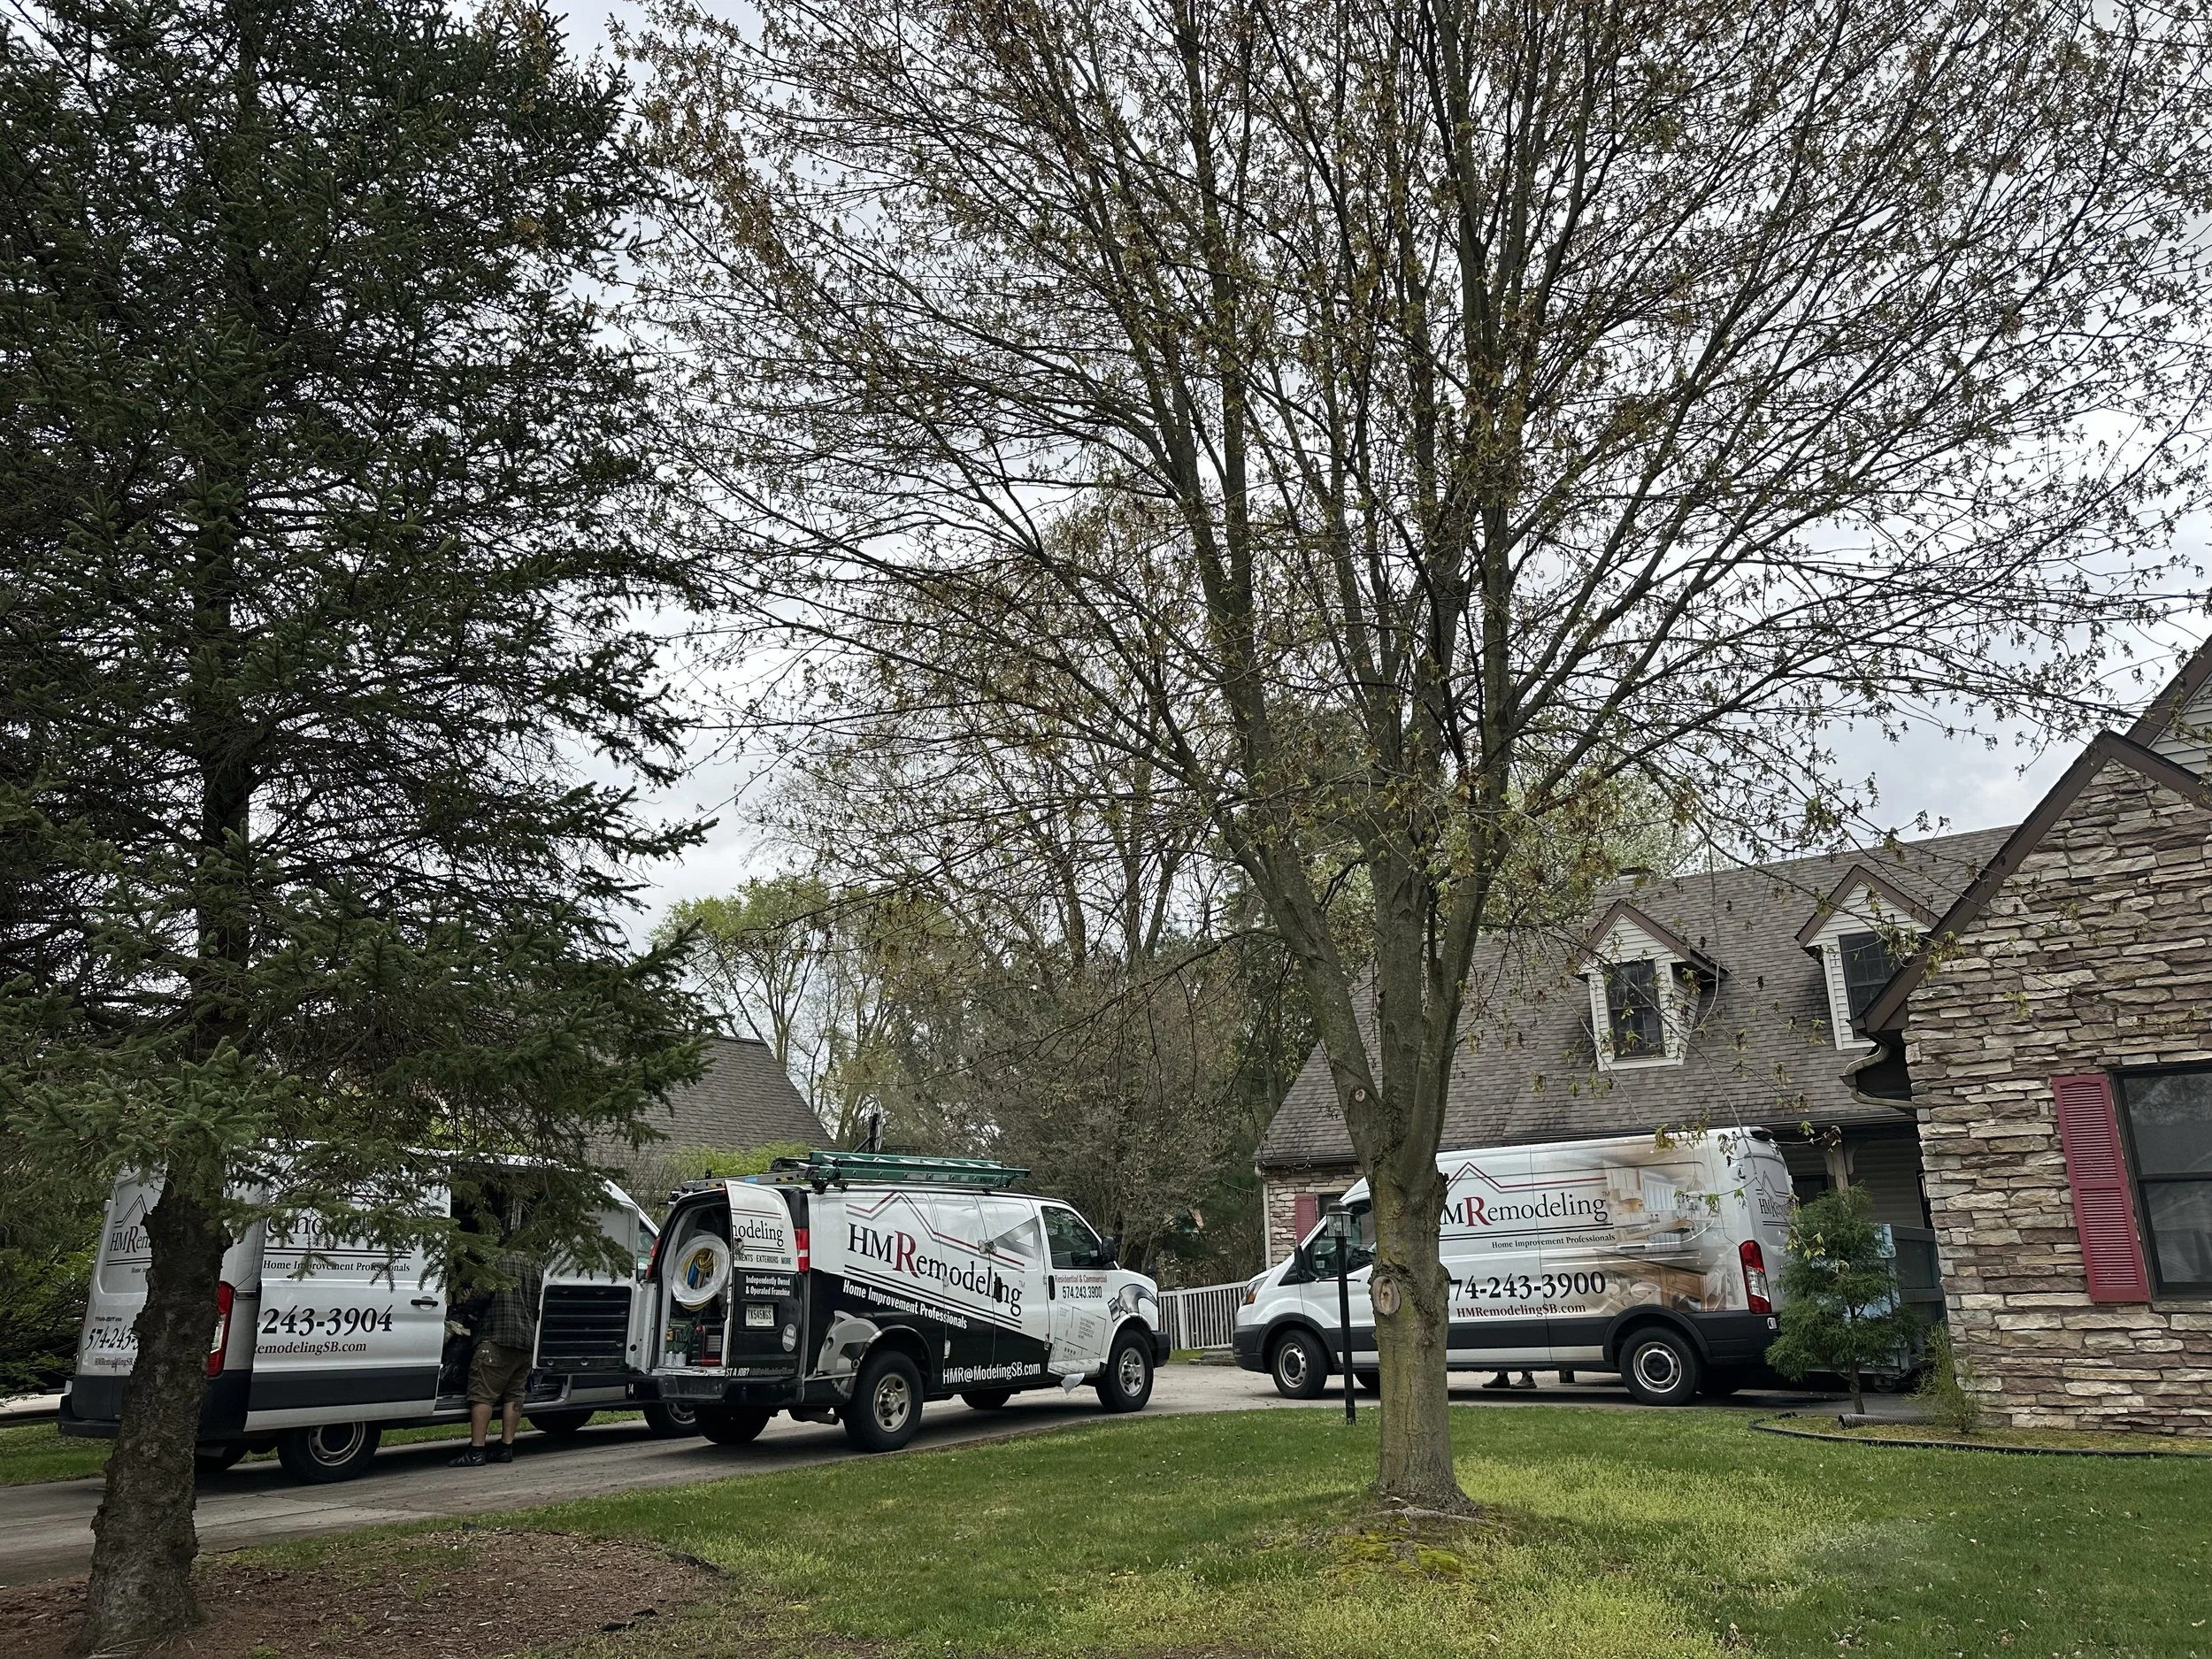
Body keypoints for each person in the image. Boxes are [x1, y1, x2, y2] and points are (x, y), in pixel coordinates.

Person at [449, 1246, 543, 1467]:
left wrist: (465, 1306)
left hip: (496, 1337)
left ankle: (477, 1450)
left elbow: (481, 1296)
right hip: (526, 1339)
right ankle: (505, 1447)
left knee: (483, 1394)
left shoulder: (495, 1261)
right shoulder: (536, 1264)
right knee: (515, 1395)